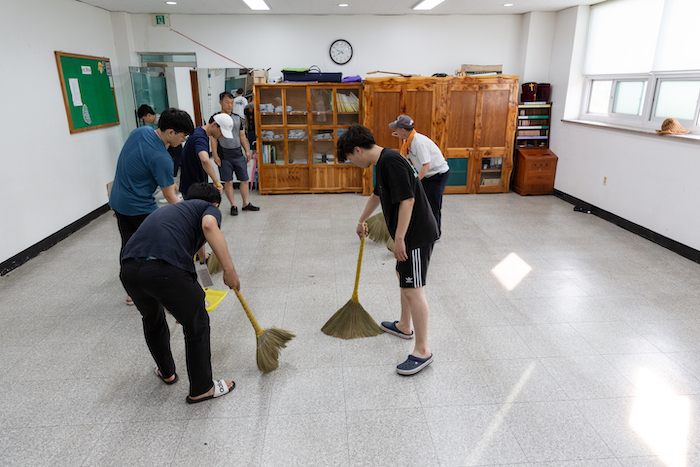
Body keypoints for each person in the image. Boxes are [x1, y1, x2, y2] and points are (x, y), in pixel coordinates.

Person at [120, 182, 238, 404]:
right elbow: (210, 225)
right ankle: (202, 388)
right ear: (215, 203)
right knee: (197, 324)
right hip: (164, 269)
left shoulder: (172, 211)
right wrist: (229, 271)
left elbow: (195, 250)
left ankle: (167, 372)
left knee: (153, 319)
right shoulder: (209, 209)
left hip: (130, 270)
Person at [337, 124, 439, 376]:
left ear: (358, 150)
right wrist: (361, 220)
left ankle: (423, 350)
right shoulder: (383, 161)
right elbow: (378, 194)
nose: (352, 163)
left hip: (415, 236)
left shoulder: (391, 161)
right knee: (402, 279)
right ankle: (405, 325)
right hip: (409, 235)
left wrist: (400, 239)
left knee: (414, 290)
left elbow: (408, 200)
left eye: (350, 158)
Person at [109, 108, 194, 306]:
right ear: (171, 132)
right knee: (158, 245)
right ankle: (159, 288)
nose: (184, 140)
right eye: (183, 136)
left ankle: (131, 290)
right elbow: (169, 195)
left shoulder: (141, 131)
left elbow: (150, 172)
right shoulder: (161, 158)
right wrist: (190, 214)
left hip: (117, 200)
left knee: (129, 244)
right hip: (138, 206)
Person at [389, 115, 450, 236]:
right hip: (427, 175)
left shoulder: (418, 143)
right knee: (421, 202)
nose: (394, 131)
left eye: (396, 128)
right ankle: (422, 228)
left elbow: (426, 166)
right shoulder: (408, 142)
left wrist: (415, 182)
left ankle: (435, 234)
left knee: (433, 204)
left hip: (438, 175)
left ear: (403, 130)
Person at [210, 91, 259, 216]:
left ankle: (245, 203)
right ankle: (233, 205)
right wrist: (215, 155)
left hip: (238, 154)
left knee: (244, 179)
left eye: (231, 102)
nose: (229, 105)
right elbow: (213, 138)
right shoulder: (215, 118)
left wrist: (247, 151)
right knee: (228, 181)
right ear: (220, 102)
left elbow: (241, 135)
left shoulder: (238, 118)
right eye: (227, 102)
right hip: (224, 156)